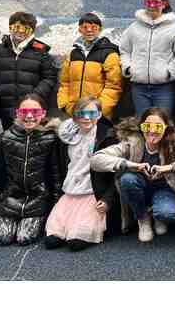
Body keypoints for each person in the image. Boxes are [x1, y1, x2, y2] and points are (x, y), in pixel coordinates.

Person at [90, 108, 175, 241]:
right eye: (147, 126)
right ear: (141, 127)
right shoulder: (132, 142)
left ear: (166, 128)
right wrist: (131, 165)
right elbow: (96, 160)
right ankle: (143, 218)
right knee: (127, 179)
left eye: (158, 127)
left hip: (165, 189)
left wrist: (171, 167)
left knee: (166, 212)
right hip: (140, 187)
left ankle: (157, 215)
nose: (152, 131)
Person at [44, 97, 121, 252]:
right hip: (70, 192)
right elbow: (60, 167)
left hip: (93, 193)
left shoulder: (107, 138)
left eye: (92, 113)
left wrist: (107, 199)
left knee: (76, 242)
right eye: (81, 113)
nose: (86, 118)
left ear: (99, 114)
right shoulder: (67, 137)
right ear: (75, 116)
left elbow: (117, 174)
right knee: (52, 240)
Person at [0, 94, 61, 246]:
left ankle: (34, 220)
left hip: (37, 202)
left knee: (24, 238)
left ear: (43, 114)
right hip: (10, 200)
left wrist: (55, 207)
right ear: (17, 113)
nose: (30, 116)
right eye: (24, 112)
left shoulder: (51, 139)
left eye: (35, 112)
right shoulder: (5, 138)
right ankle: (10, 218)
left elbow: (56, 175)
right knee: (2, 238)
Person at [0, 11, 57, 130]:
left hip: (32, 110)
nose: (20, 31)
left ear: (32, 31)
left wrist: (35, 95)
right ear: (10, 27)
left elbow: (49, 77)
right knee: (9, 137)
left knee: (32, 138)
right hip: (6, 108)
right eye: (17, 27)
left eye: (26, 29)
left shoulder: (41, 53)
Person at [119, 0, 175, 119]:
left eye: (156, 2)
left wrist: (169, 73)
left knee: (163, 122)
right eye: (148, 2)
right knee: (142, 123)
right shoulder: (134, 27)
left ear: (164, 4)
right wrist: (128, 68)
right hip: (139, 87)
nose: (152, 6)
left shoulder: (174, 28)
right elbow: (124, 50)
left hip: (163, 88)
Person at [57, 12, 122, 122]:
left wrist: (98, 110)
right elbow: (65, 83)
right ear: (80, 30)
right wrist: (65, 105)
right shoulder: (73, 54)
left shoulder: (109, 54)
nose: (89, 30)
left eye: (94, 27)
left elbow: (113, 87)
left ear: (100, 29)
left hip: (97, 116)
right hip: (74, 112)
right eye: (85, 27)